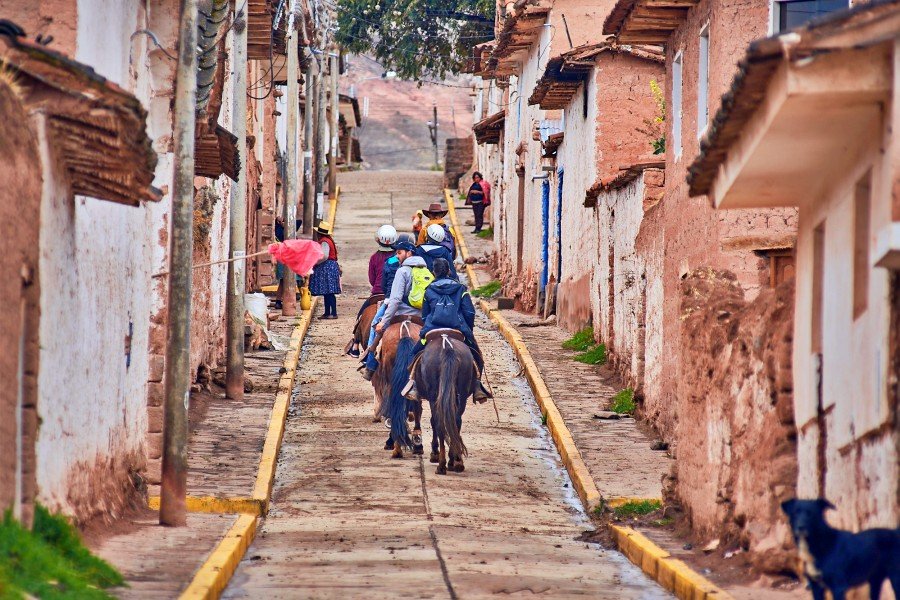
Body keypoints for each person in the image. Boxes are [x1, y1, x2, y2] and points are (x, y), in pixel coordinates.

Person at [402, 258, 492, 402]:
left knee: (413, 355)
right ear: (449, 271)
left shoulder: (429, 290)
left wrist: (429, 325)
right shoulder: (461, 289)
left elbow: (425, 315)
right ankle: (477, 386)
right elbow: (469, 312)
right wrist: (467, 330)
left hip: (433, 330)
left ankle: (414, 385)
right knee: (477, 356)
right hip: (457, 328)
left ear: (434, 273)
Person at [358, 241, 420, 380]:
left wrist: (384, 322)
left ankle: (370, 363)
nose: (397, 256)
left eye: (399, 252)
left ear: (409, 253)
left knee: (375, 325)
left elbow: (395, 298)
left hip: (398, 308)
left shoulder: (401, 270)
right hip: (419, 312)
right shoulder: (424, 269)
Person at [346, 225, 398, 358]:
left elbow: (372, 278)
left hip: (377, 293)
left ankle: (356, 345)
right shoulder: (398, 257)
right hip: (394, 294)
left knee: (361, 315)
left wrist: (377, 286)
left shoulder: (374, 257)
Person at [308, 221, 341, 319]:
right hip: (330, 267)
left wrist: (314, 262)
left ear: (320, 233)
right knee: (327, 292)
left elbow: (324, 256)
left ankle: (333, 313)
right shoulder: (328, 240)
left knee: (329, 292)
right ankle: (327, 313)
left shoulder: (325, 242)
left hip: (327, 268)